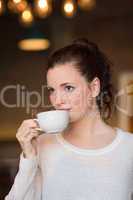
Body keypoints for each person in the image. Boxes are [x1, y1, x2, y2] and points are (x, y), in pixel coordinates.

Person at [5, 38, 133, 200]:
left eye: (68, 88)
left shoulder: (129, 148)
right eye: (52, 90)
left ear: (94, 87)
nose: (57, 100)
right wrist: (29, 157)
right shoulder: (42, 145)